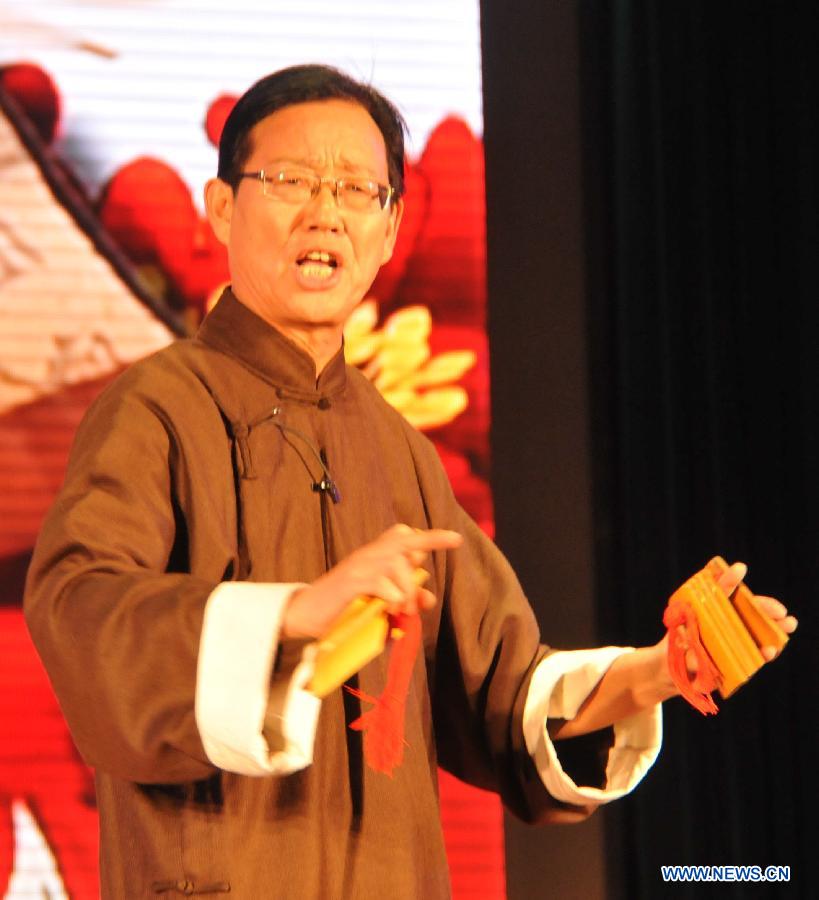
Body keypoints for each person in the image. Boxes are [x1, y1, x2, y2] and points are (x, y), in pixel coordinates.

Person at [24, 64, 797, 899]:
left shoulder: (398, 452)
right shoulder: (155, 407)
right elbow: (78, 608)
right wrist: (292, 615)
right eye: (288, 180)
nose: (324, 211)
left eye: (357, 188)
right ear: (220, 208)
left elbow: (501, 691)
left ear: (391, 226)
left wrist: (655, 673)